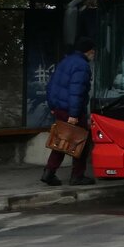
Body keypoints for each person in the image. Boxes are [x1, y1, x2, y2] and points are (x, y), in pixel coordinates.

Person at [42, 36, 95, 187]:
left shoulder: (65, 61)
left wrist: (53, 107)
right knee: (81, 142)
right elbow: (77, 91)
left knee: (62, 140)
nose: (94, 55)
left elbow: (51, 85)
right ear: (89, 51)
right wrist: (74, 114)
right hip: (72, 111)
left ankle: (49, 172)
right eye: (93, 51)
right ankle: (77, 176)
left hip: (59, 109)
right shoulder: (82, 66)